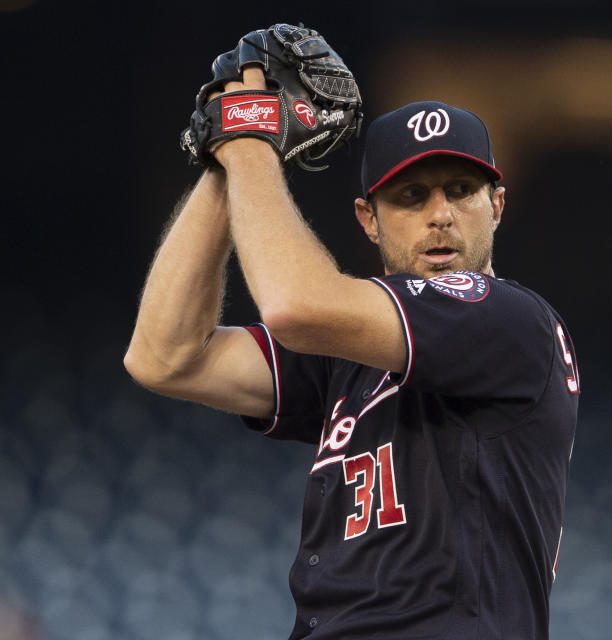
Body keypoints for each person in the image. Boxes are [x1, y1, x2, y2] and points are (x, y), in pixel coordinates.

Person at [124, 64, 579, 640]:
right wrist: (228, 155)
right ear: (369, 219)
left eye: (461, 191)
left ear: (497, 206)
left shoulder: (511, 321)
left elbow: (293, 306)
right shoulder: (347, 352)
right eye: (412, 196)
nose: (440, 214)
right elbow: (164, 356)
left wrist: (250, 147)